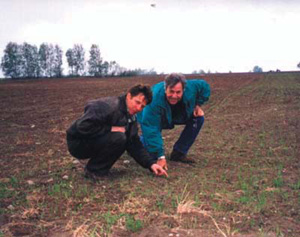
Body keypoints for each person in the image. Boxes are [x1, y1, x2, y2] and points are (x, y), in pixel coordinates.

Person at [66, 84, 168, 180]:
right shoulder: (108, 106)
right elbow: (82, 127)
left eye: (142, 106)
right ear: (129, 96)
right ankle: (94, 171)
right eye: (137, 102)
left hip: (94, 140)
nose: (138, 108)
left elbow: (134, 143)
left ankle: (97, 168)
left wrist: (150, 164)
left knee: (123, 138)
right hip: (77, 143)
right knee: (119, 137)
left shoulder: (131, 115)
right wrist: (109, 129)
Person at [137, 73, 210, 170]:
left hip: (178, 114)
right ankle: (136, 143)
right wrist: (160, 156)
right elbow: (151, 128)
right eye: (171, 91)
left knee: (198, 118)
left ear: (184, 89)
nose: (174, 96)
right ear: (165, 88)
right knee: (151, 153)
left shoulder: (192, 87)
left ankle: (179, 153)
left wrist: (197, 105)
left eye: (178, 92)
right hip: (153, 117)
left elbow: (204, 86)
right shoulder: (154, 99)